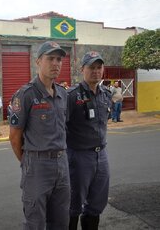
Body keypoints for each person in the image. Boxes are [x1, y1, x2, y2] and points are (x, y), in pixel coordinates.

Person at [9, 41, 70, 230]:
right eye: (50, 58)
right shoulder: (25, 94)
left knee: (61, 221)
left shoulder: (62, 93)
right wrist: (28, 160)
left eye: (59, 59)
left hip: (62, 164)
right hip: (36, 165)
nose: (55, 63)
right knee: (35, 222)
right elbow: (14, 136)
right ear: (38, 61)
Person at [66, 51, 112, 230]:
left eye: (99, 67)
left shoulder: (105, 94)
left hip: (101, 155)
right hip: (78, 157)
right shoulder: (71, 96)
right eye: (91, 67)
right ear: (82, 70)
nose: (96, 71)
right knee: (73, 204)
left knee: (96, 204)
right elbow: (61, 127)